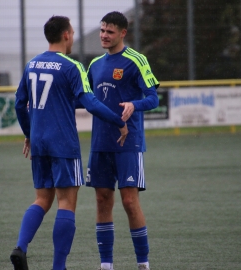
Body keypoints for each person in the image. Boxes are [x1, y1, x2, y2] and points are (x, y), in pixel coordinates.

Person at [10, 15, 128, 270]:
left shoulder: (31, 64)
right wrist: (118, 121)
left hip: (39, 141)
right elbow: (91, 103)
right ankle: (58, 267)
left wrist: (29, 133)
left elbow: (20, 103)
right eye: (72, 33)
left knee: (41, 199)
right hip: (63, 143)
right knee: (66, 202)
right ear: (65, 35)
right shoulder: (71, 67)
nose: (73, 37)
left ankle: (20, 246)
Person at [85, 11, 159, 270]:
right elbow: (84, 98)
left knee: (129, 200)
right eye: (102, 30)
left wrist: (133, 104)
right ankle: (106, 265)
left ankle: (143, 263)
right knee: (102, 199)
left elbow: (153, 98)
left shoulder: (136, 60)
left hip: (128, 142)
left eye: (110, 32)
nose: (104, 35)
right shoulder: (94, 65)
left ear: (123, 33)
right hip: (100, 142)